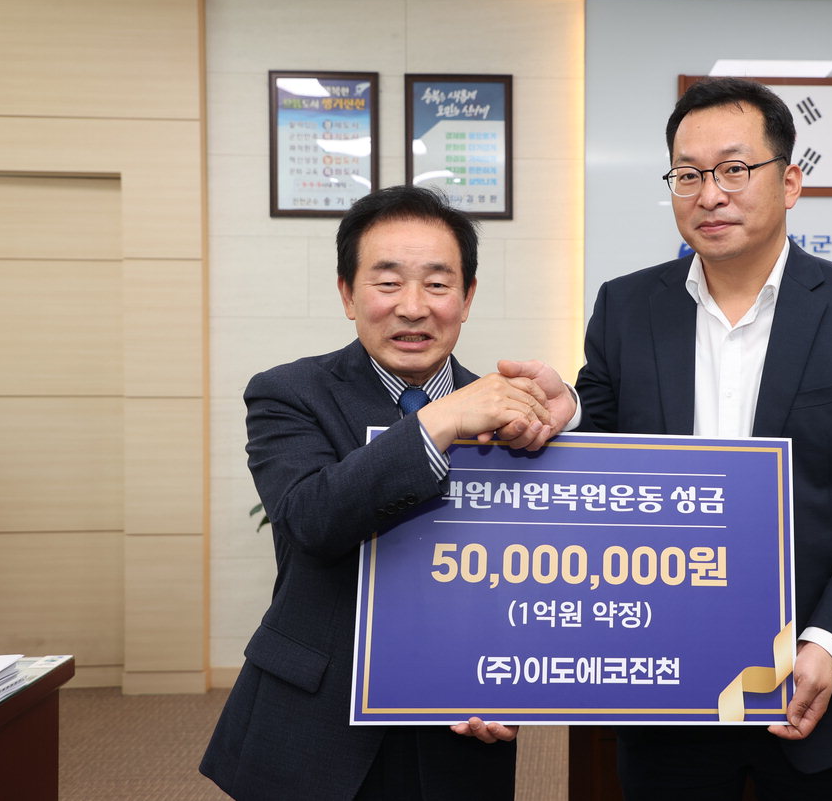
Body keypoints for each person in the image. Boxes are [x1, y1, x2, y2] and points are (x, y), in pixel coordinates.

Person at [574, 77, 832, 800]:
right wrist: (558, 417)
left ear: (790, 182)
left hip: (819, 699)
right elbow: (596, 474)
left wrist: (828, 643)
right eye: (688, 175)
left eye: (734, 169)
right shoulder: (625, 307)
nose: (710, 194)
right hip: (665, 698)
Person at [200, 185, 576, 801]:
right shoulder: (289, 393)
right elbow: (311, 518)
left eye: (437, 283)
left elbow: (542, 570)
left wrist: (516, 683)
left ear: (467, 297)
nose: (413, 306)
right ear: (348, 294)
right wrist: (440, 421)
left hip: (460, 719)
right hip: (316, 719)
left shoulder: (514, 417)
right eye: (387, 282)